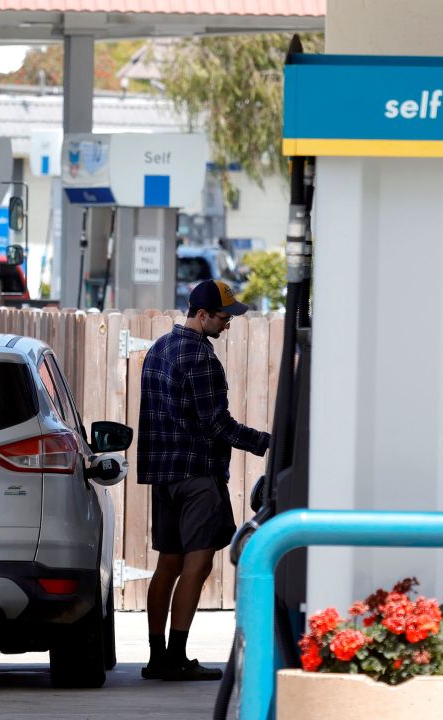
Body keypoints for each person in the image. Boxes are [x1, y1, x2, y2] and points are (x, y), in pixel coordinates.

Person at [138, 279, 272, 681]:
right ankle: (177, 658)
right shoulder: (201, 358)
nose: (228, 323)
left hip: (164, 476)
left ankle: (157, 656)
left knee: (168, 565)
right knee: (197, 565)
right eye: (223, 316)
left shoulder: (159, 349)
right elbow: (217, 425)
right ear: (202, 315)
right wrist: (268, 443)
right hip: (197, 475)